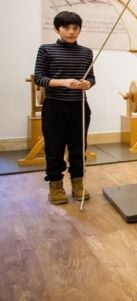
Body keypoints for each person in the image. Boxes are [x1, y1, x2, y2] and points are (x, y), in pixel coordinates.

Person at [34, 10, 95, 205]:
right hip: (54, 107)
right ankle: (55, 185)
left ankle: (78, 183)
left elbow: (91, 77)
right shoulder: (46, 49)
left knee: (79, 148)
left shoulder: (86, 52)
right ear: (57, 29)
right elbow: (39, 78)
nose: (71, 31)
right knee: (54, 148)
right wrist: (64, 82)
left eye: (75, 28)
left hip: (79, 107)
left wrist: (88, 84)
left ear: (79, 30)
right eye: (66, 27)